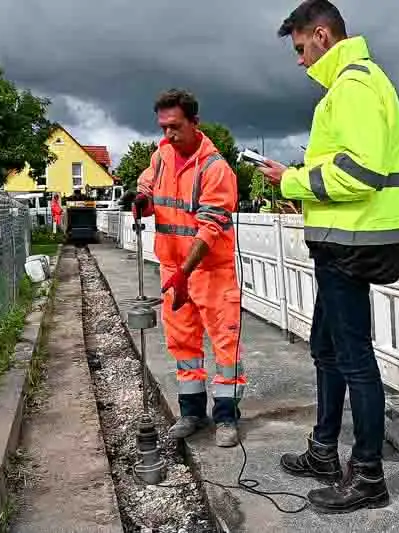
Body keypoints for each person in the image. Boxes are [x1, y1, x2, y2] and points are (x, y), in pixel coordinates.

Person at [259, 0, 399, 514]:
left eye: (301, 48)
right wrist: (298, 184)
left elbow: (361, 172)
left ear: (322, 36)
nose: (300, 61)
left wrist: (293, 180)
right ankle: (324, 451)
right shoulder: (351, 87)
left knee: (355, 359)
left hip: (354, 244)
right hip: (340, 242)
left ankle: (368, 476)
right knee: (326, 348)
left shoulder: (355, 87)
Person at [133, 89, 245, 448]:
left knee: (224, 344)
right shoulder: (161, 156)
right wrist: (140, 201)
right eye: (163, 127)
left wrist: (184, 272)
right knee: (182, 342)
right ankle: (192, 412)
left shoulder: (216, 170)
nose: (168, 134)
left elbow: (209, 228)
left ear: (195, 123)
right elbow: (147, 189)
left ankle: (226, 417)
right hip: (172, 268)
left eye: (175, 126)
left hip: (211, 271)